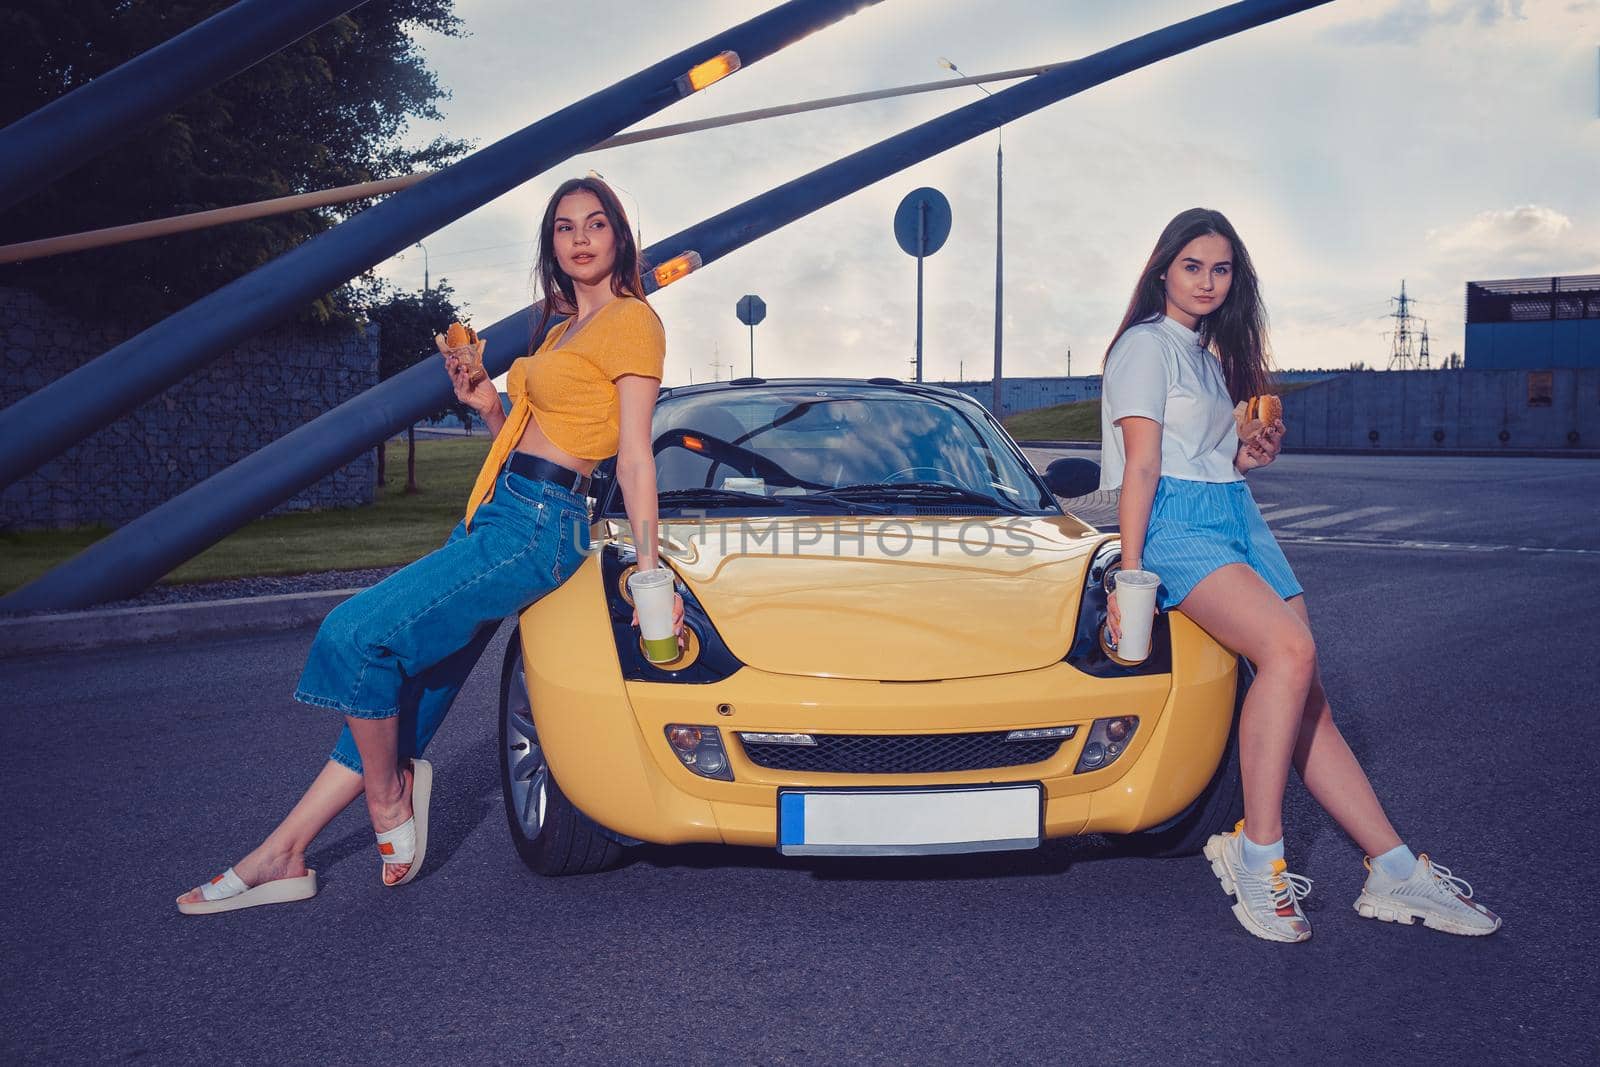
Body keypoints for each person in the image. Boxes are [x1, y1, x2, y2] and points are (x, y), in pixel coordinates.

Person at [177, 176, 683, 913]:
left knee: (354, 635)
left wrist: (648, 571)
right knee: (401, 703)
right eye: (564, 226)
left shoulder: (635, 322)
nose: (579, 237)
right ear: (551, 243)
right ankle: (281, 853)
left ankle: (392, 797)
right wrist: (486, 401)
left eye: (595, 223)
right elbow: (533, 432)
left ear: (619, 238)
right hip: (500, 506)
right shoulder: (559, 326)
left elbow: (632, 455)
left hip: (541, 527)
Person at [1099, 207, 1499, 943]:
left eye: (1222, 269)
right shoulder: (1144, 348)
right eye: (1193, 266)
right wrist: (1131, 576)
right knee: (1289, 654)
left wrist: (1249, 453)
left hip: (1235, 514)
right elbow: (1145, 465)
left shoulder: (1210, 359)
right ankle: (1259, 854)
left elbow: (1211, 458)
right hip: (1177, 524)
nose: (1207, 282)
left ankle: (1391, 865)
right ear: (1163, 269)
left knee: (1305, 694)